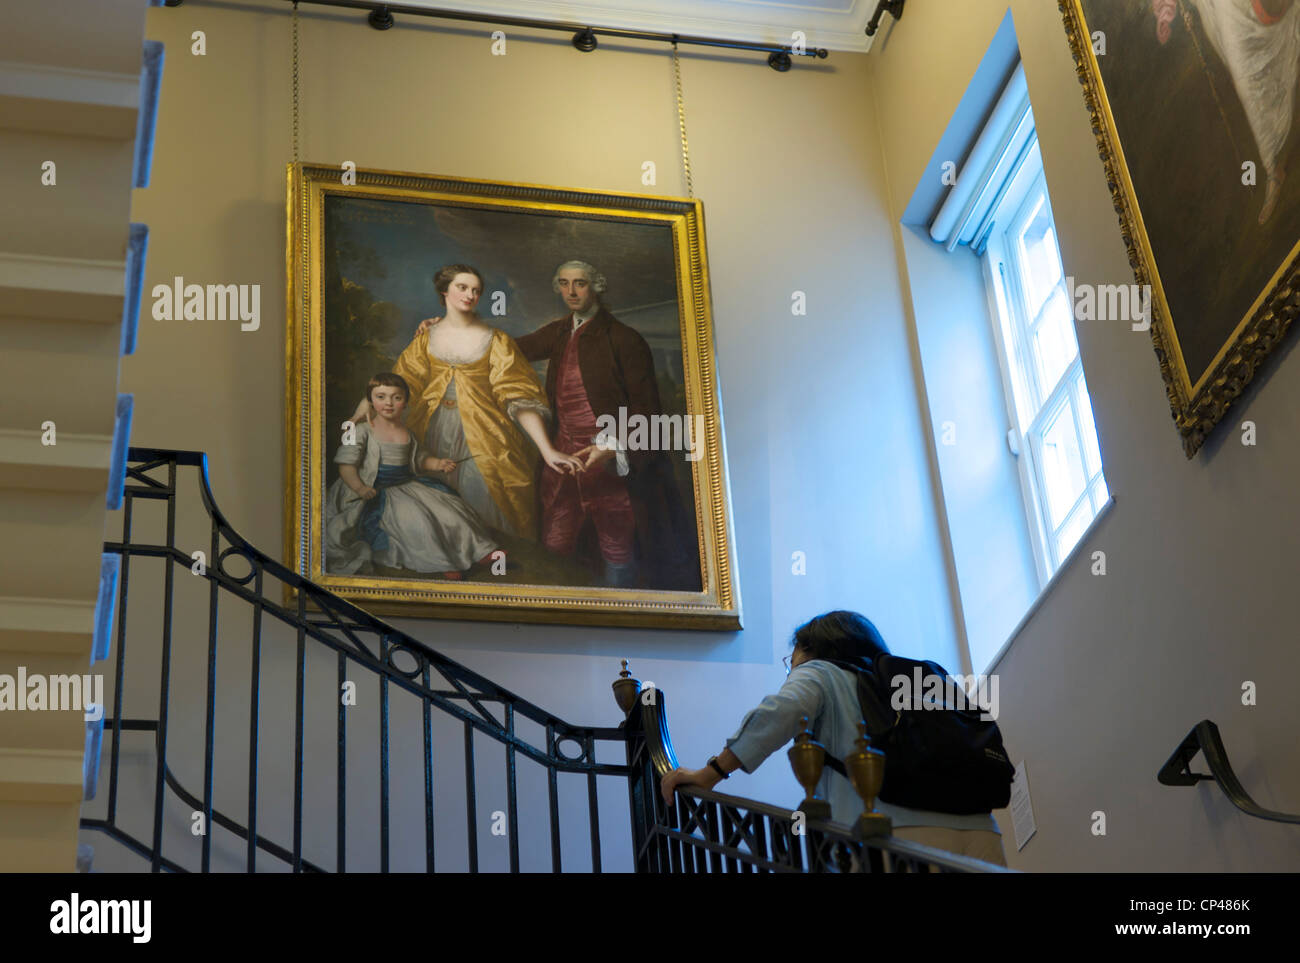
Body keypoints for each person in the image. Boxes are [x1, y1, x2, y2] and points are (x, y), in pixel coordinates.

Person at [658, 610, 1009, 867]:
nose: (790, 667)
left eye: (791, 659)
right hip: (982, 837)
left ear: (810, 649)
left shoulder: (820, 672)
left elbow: (779, 711)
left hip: (894, 839)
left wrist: (711, 773)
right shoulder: (915, 680)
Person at [353, 265, 582, 540]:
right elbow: (400, 381)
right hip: (430, 427)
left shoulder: (496, 340)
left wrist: (547, 450)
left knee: (490, 497)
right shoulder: (426, 338)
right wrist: (365, 404)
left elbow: (519, 397)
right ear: (444, 292)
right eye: (462, 287)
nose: (470, 294)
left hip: (484, 432)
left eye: (476, 290)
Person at [512, 260, 698, 590]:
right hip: (563, 461)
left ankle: (615, 613)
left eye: (580, 283)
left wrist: (610, 447)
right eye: (565, 283)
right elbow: (508, 347)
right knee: (555, 543)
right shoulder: (558, 331)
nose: (571, 291)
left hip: (612, 463)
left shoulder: (625, 339)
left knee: (617, 545)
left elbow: (648, 410)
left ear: (596, 286)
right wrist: (454, 326)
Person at [326, 372, 497, 579]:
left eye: (396, 398)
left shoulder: (406, 432)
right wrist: (360, 488)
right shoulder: (360, 430)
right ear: (370, 401)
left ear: (405, 402)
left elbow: (419, 459)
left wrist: (439, 464)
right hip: (374, 490)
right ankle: (444, 562)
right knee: (419, 521)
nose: (389, 403)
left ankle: (482, 552)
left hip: (406, 485)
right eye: (381, 397)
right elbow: (346, 466)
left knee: (450, 512)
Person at [1152, 0, 1300, 223]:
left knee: (1256, 70)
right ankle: (1272, 168)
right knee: (1247, 82)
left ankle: (1272, 167)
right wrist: (1166, 12)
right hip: (1222, 9)